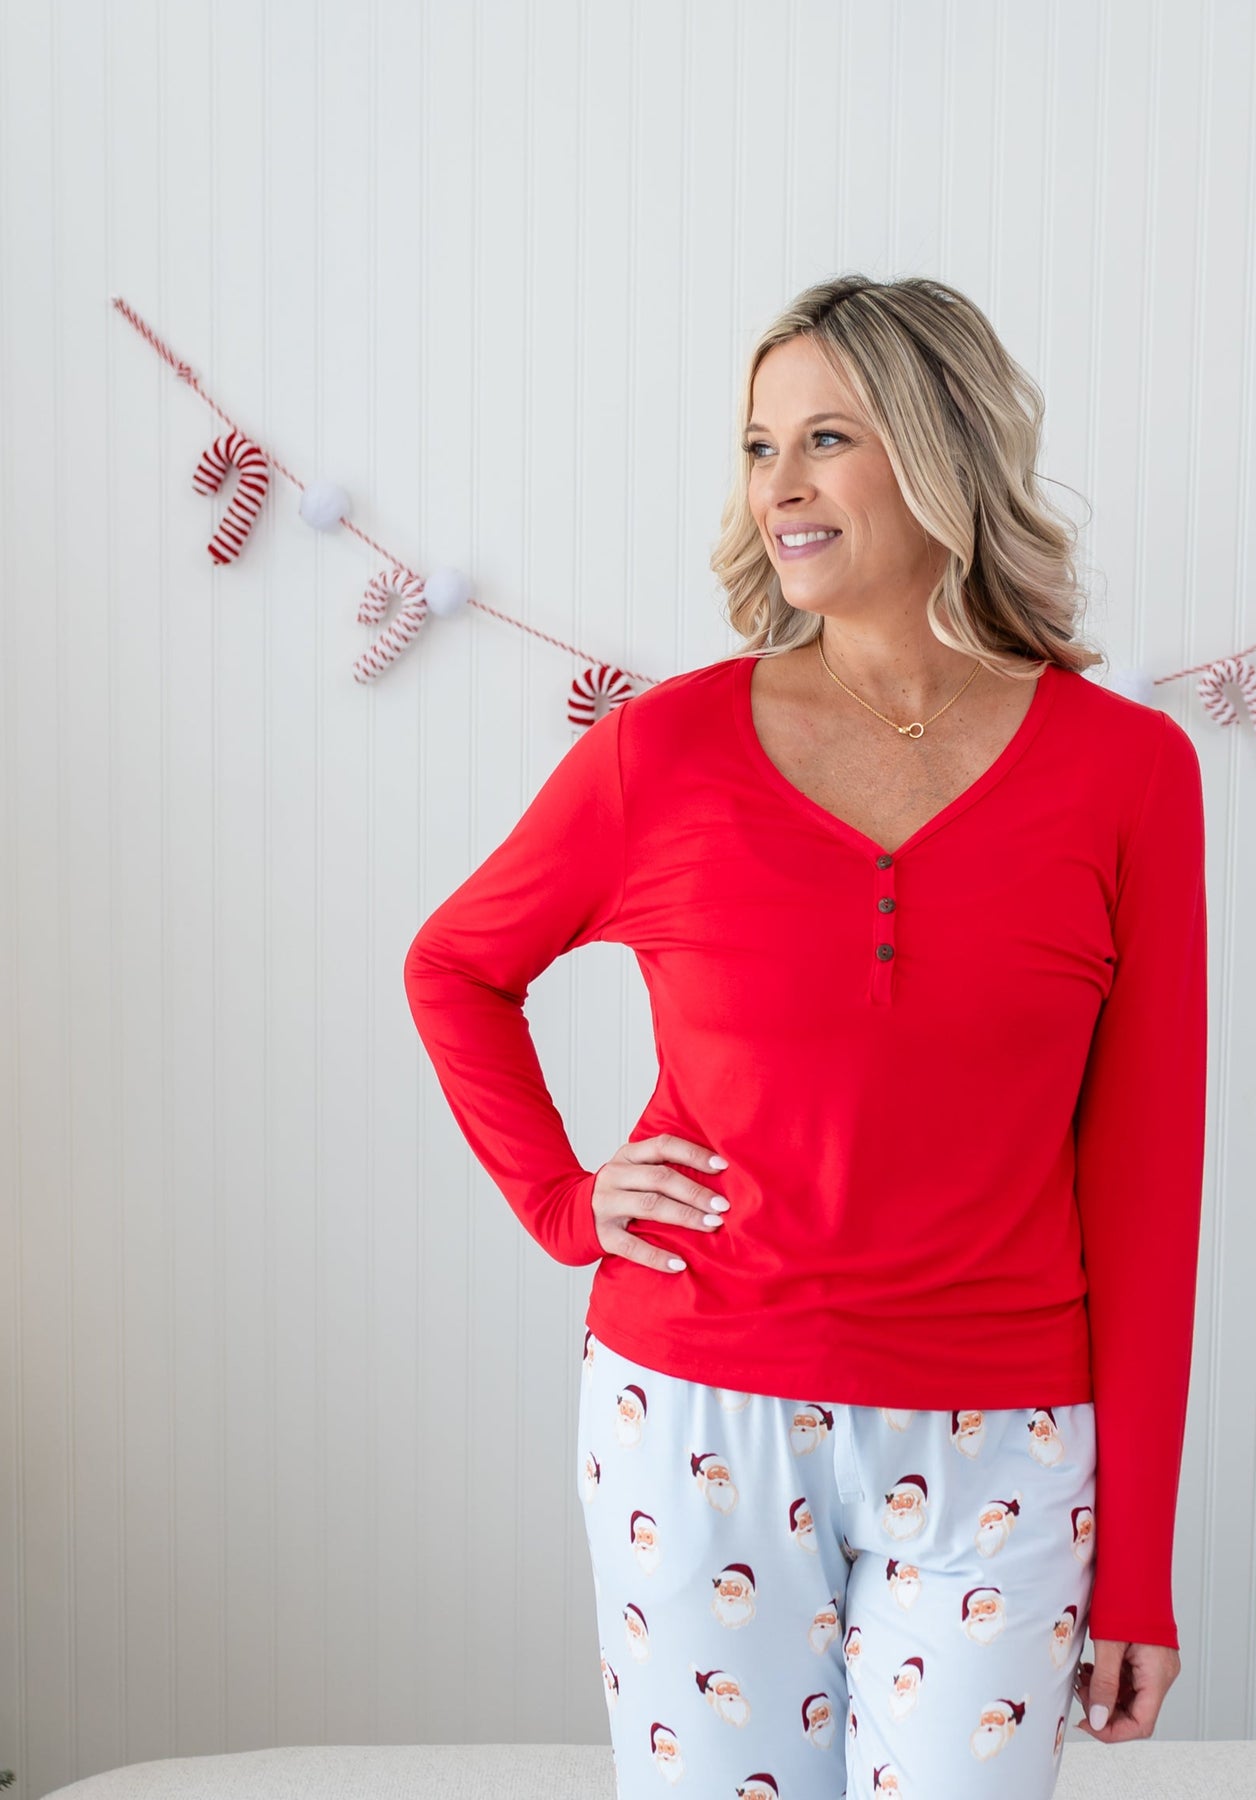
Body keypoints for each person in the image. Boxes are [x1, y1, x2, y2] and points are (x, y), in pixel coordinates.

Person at [403, 273, 1208, 1799]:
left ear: (942, 448)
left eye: (826, 438)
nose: (778, 484)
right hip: (694, 1414)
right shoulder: (661, 752)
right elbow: (455, 967)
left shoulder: (1131, 772)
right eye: (759, 445)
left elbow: (1148, 1184)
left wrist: (1141, 1572)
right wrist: (565, 1202)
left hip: (1006, 1441)